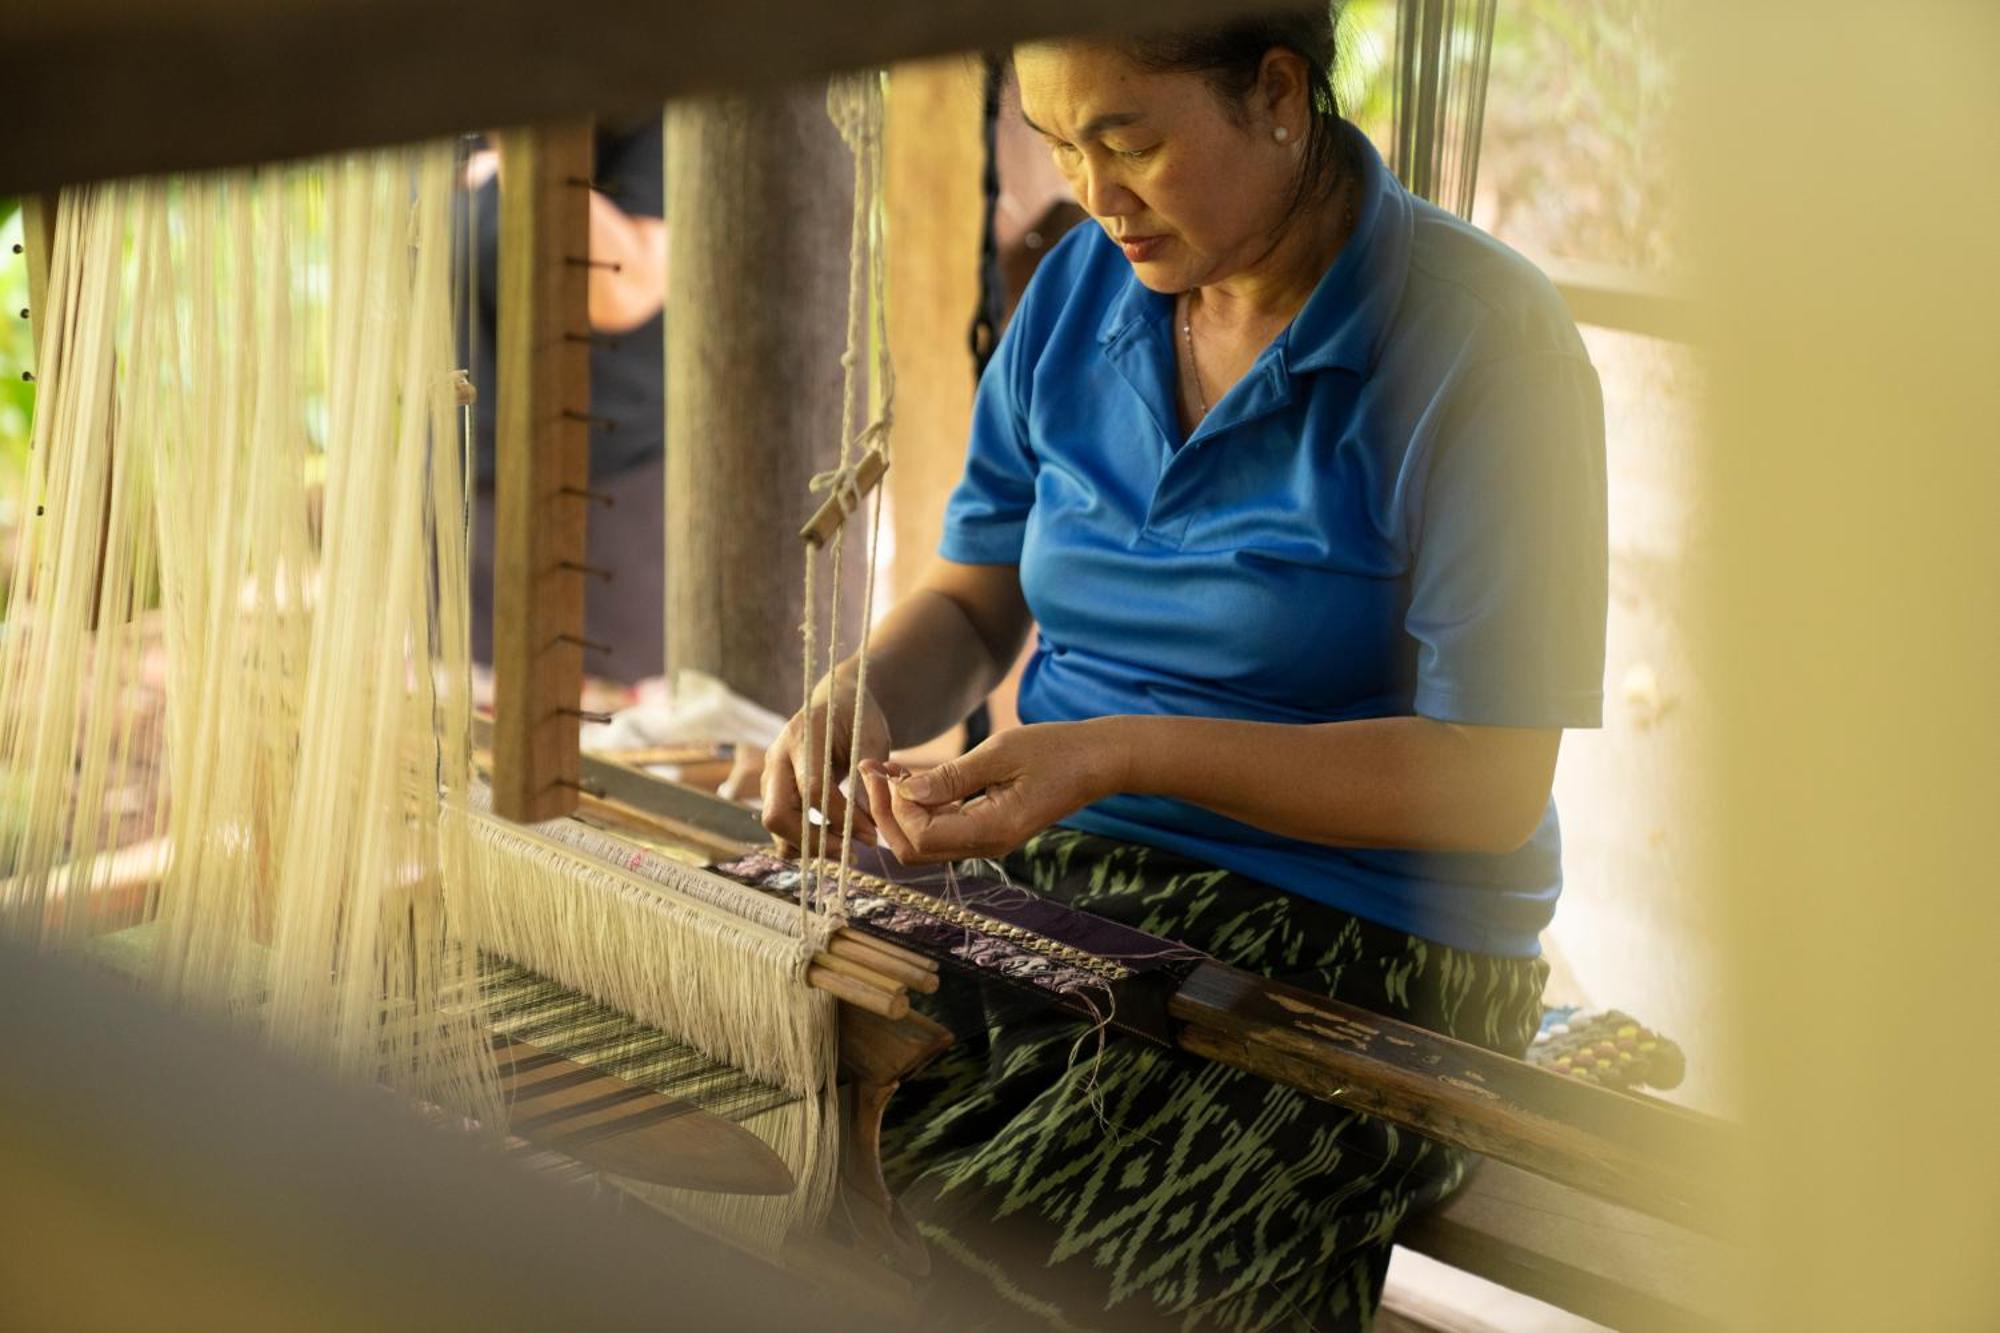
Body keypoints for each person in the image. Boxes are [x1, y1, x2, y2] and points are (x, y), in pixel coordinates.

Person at [764, 13, 1605, 1330]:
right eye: (1059, 146)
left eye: (1129, 142)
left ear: (1277, 95)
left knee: (1019, 1238)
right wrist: (857, 701)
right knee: (767, 1091)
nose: (1094, 196)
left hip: (1364, 942)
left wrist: (1114, 750)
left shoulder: (1478, 343)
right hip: (1079, 881)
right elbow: (980, 603)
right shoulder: (1085, 295)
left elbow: (1487, 780)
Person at [461, 117, 669, 686]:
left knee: (602, 739)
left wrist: (523, 156)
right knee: (476, 725)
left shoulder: (640, 131)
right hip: (472, 487)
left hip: (607, 497)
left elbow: (622, 290)